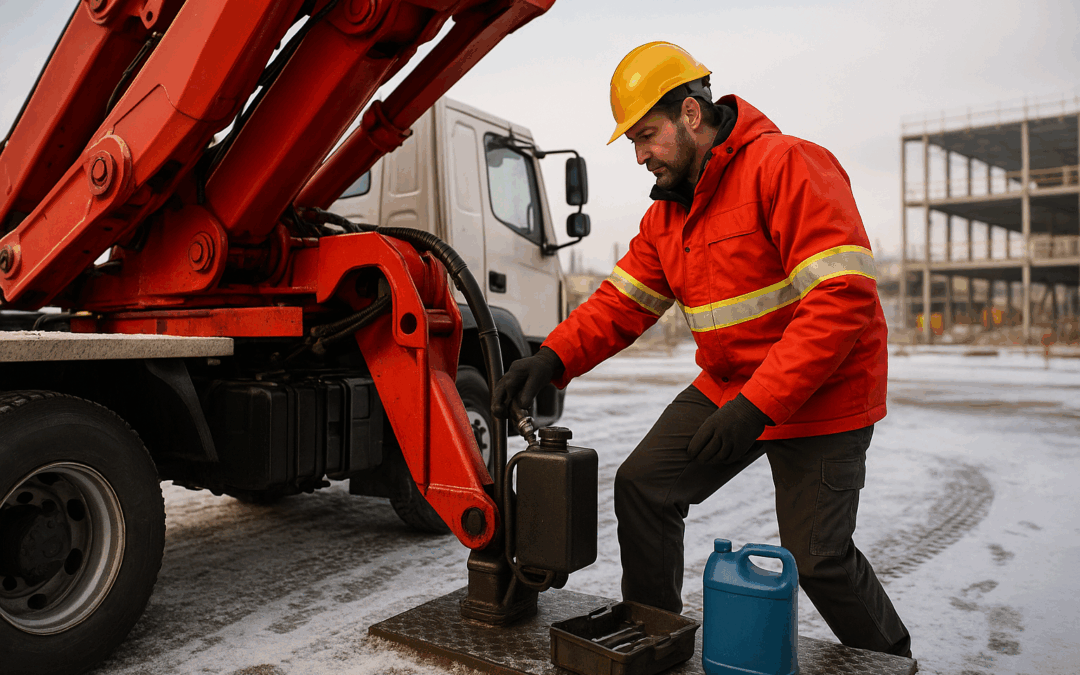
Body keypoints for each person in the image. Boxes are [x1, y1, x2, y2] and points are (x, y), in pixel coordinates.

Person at [492, 42, 910, 657]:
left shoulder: (786, 165)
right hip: (732, 386)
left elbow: (842, 299)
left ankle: (894, 662)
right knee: (643, 486)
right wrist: (551, 359)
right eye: (633, 141)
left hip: (825, 392)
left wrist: (758, 407)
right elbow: (621, 304)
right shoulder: (669, 215)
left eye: (648, 135)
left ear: (692, 114)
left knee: (818, 560)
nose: (640, 156)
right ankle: (655, 642)